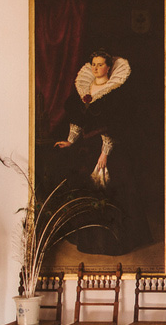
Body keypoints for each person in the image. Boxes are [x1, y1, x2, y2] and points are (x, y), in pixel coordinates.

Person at [54, 49, 152, 256]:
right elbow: (78, 121)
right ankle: (91, 242)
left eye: (100, 64)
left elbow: (115, 125)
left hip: (110, 150)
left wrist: (105, 153)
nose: (97, 68)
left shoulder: (115, 92)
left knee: (113, 190)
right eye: (94, 64)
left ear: (109, 67)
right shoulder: (84, 89)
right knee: (88, 191)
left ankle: (113, 243)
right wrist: (70, 141)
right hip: (87, 150)